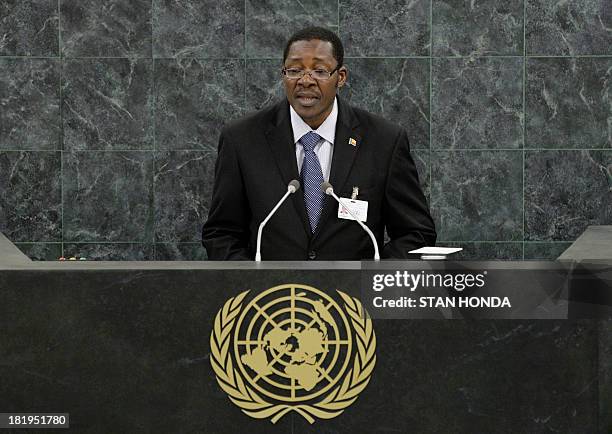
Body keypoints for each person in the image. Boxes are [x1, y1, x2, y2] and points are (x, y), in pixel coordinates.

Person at [202, 27, 436, 260]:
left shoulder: (383, 141)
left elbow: (416, 232)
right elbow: (222, 234)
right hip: (272, 294)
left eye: (319, 71)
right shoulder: (242, 139)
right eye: (294, 70)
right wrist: (255, 285)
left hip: (355, 294)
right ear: (283, 74)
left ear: (340, 77)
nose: (305, 80)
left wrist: (373, 280)